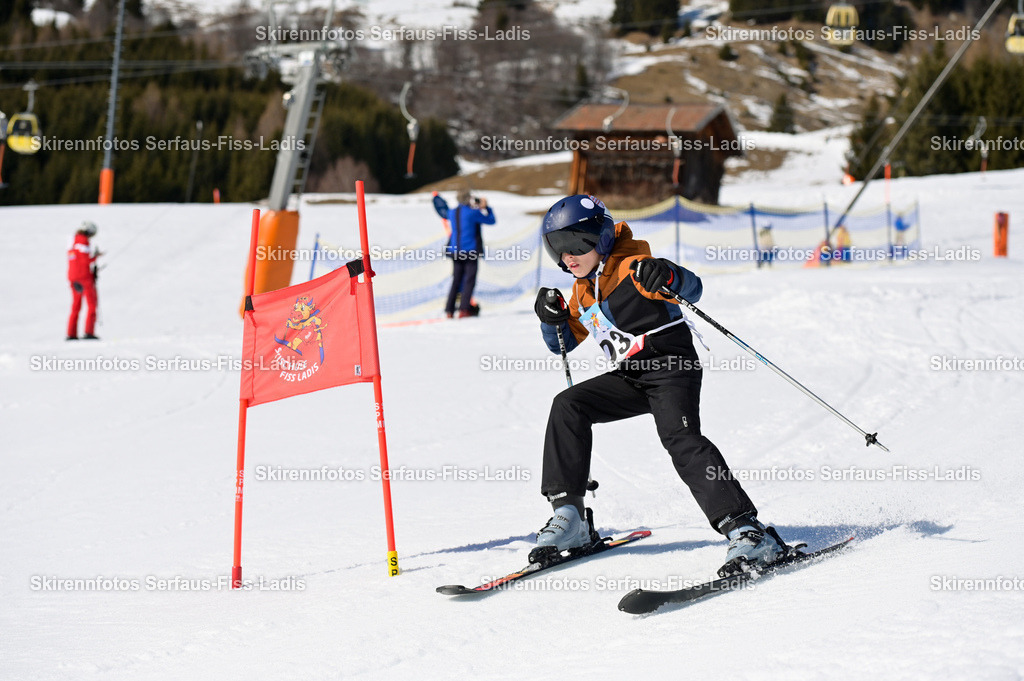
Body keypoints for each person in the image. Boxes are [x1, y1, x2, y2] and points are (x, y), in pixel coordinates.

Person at [532, 194, 789, 575]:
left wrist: (667, 275)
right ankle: (570, 517)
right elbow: (563, 344)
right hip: (631, 376)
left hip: (671, 367)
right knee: (569, 404)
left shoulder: (635, 266)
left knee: (681, 440)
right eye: (557, 247)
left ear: (601, 237)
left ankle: (747, 529)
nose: (567, 256)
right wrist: (549, 318)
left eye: (576, 244)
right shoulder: (583, 288)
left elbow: (693, 288)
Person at [444, 189, 495, 318]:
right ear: (468, 199)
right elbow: (491, 220)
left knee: (456, 280)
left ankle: (449, 310)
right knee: (469, 281)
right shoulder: (473, 213)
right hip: (470, 251)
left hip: (455, 251)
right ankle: (464, 309)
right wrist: (486, 207)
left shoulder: (452, 212)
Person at [67, 221, 102, 340]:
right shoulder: (84, 242)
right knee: (92, 305)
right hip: (85, 278)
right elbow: (86, 261)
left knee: (75, 306)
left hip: (72, 277)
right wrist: (96, 256)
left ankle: (71, 334)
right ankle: (89, 332)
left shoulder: (72, 242)